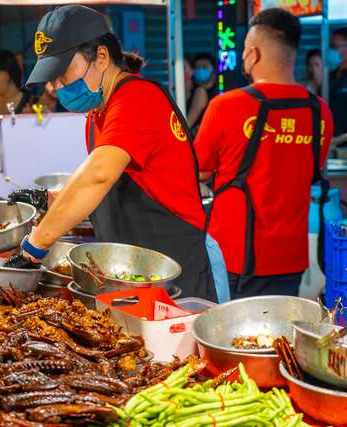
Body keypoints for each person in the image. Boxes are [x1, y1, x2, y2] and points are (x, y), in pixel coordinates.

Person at [14, 5, 224, 301]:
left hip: (177, 274)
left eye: (62, 72)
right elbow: (108, 188)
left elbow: (98, 176)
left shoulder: (136, 99)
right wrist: (50, 200)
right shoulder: (99, 112)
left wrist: (35, 245)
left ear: (101, 57)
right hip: (137, 275)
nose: (57, 86)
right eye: (53, 78)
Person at [194, 8, 334, 299]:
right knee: (278, 336)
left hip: (236, 256)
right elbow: (309, 172)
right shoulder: (320, 111)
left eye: (244, 50)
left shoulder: (227, 106)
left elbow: (199, 171)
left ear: (253, 54)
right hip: (290, 257)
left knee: (235, 339)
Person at [187, 53, 217, 131]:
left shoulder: (200, 92)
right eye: (197, 67)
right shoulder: (194, 90)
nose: (200, 70)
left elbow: (188, 123)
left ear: (213, 71)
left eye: (204, 67)